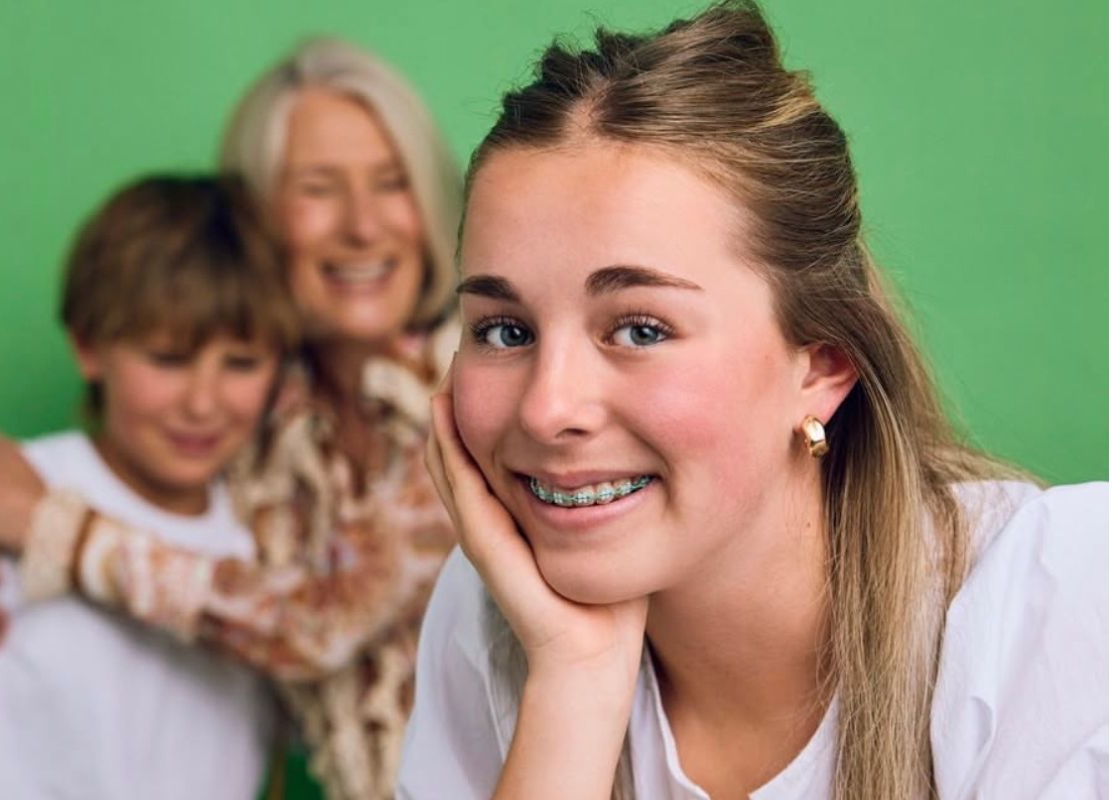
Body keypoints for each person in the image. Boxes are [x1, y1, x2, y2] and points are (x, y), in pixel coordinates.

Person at [397, 3, 1109, 799]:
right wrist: (574, 682)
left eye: (638, 329)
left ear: (823, 367)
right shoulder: (499, 609)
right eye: (503, 331)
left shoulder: (1059, 610)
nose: (545, 409)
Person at [0, 38, 461, 800]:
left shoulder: (478, 385)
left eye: (392, 182)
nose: (363, 225)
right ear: (256, 219)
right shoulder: (254, 415)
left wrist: (47, 525)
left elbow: (312, 624)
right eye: (319, 187)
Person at [0, 174, 297, 798]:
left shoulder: (270, 542)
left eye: (242, 364)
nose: (203, 403)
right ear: (90, 347)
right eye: (168, 359)